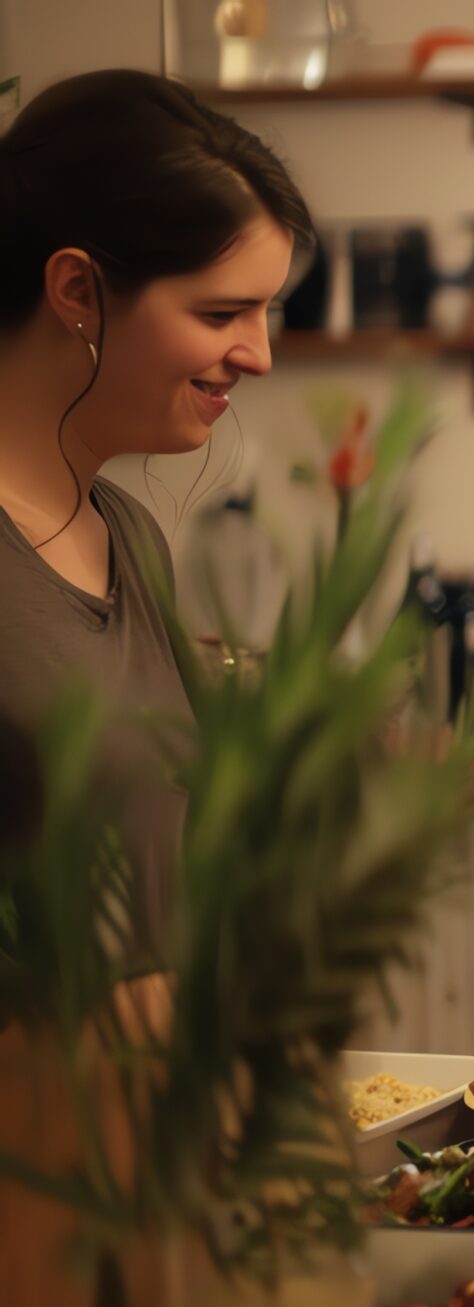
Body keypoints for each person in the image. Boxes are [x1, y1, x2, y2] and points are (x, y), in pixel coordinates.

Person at [0, 70, 312, 888]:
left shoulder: (129, 536)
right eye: (220, 315)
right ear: (77, 290)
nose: (259, 354)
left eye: (265, 312)